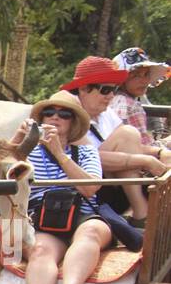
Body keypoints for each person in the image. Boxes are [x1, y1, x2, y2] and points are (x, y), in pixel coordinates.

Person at [19, 90, 112, 284]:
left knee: (90, 233)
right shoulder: (27, 151)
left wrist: (60, 153)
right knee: (39, 250)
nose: (55, 118)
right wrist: (20, 140)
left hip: (82, 212)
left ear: (73, 123)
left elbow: (90, 188)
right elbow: (2, 170)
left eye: (64, 114)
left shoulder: (87, 152)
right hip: (45, 216)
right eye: (49, 113)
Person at [62, 55, 165, 222]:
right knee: (128, 133)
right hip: (87, 193)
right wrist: (145, 161)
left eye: (114, 90)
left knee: (130, 136)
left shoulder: (105, 112)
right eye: (105, 90)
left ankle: (142, 213)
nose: (110, 96)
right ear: (83, 88)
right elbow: (87, 158)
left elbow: (129, 147)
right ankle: (141, 213)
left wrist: (159, 153)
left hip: (111, 187)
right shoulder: (67, 114)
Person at [100, 47, 171, 153]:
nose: (144, 80)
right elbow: (144, 149)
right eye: (136, 75)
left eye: (146, 74)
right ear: (122, 80)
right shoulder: (130, 105)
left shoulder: (111, 99)